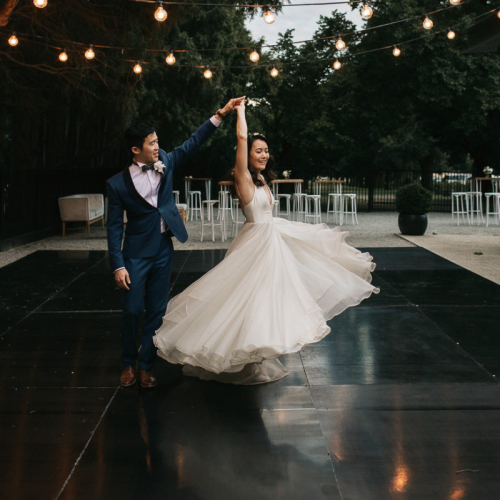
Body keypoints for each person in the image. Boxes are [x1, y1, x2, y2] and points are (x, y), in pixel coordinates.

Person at [153, 99, 379, 385]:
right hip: (256, 244)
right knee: (245, 299)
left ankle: (253, 355)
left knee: (266, 300)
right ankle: (238, 354)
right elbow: (241, 137)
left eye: (266, 150)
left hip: (271, 239)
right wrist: (241, 111)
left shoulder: (261, 179)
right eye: (258, 151)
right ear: (246, 154)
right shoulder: (243, 176)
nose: (263, 154)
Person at [107, 97, 245, 388]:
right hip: (134, 255)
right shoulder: (117, 184)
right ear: (136, 149)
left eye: (158, 141)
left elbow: (193, 142)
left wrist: (222, 112)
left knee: (157, 311)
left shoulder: (166, 161)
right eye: (152, 143)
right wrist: (118, 265)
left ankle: (145, 367)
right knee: (132, 310)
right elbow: (113, 227)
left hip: (162, 249)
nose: (158, 147)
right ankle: (127, 363)